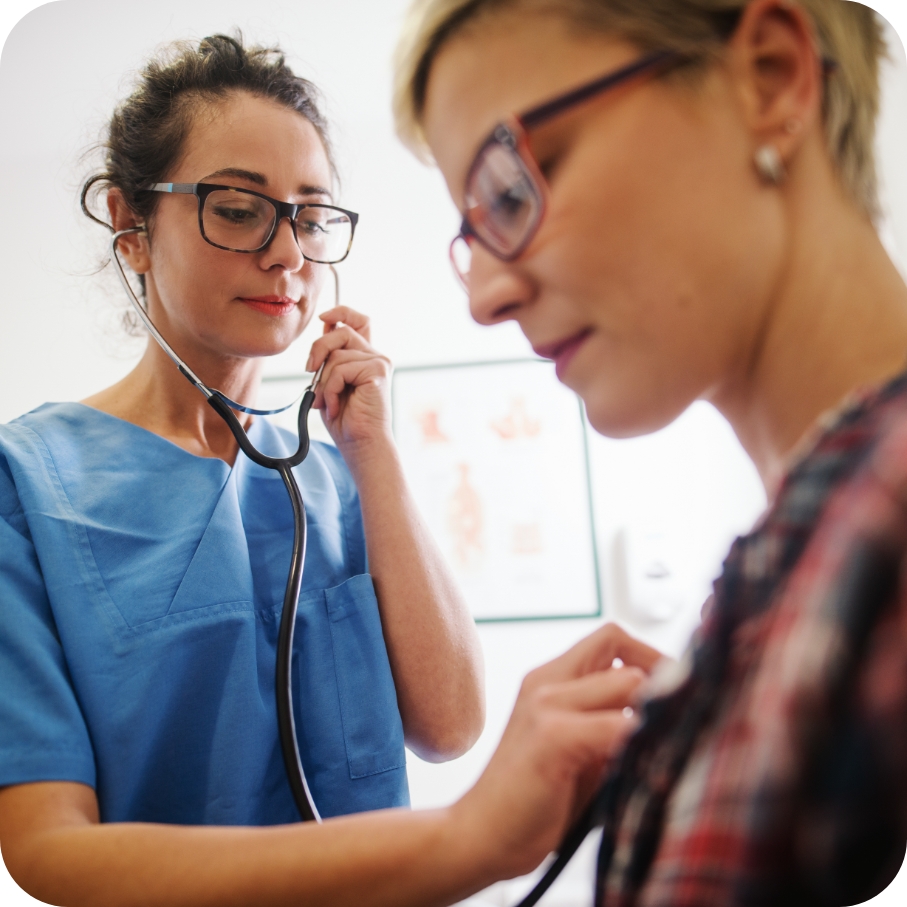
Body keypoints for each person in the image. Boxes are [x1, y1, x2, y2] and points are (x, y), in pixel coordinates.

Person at [0, 31, 657, 907]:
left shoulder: (341, 463)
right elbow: (49, 854)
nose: (288, 255)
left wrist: (374, 454)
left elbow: (449, 726)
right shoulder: (27, 484)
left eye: (310, 216)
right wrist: (458, 844)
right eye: (237, 208)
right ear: (130, 225)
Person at [391, 0, 907, 902]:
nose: (484, 297)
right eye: (468, 236)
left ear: (769, 75)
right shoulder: (787, 569)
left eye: (513, 188)